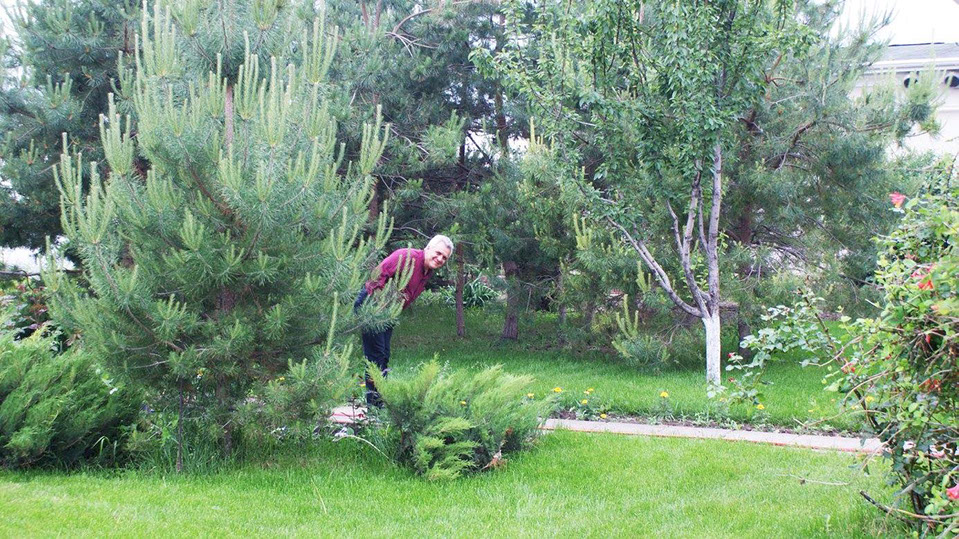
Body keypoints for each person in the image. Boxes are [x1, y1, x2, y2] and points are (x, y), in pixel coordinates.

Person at [354, 235, 453, 406]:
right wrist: (378, 306)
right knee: (376, 356)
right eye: (438, 253)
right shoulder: (407, 257)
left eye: (444, 257)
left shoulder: (427, 271)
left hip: (389, 312)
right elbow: (377, 275)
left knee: (384, 356)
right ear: (428, 248)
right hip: (373, 305)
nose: (440, 259)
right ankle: (374, 408)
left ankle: (379, 402)